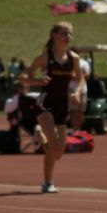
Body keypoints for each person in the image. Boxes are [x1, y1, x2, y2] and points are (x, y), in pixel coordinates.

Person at [20, 22, 83, 194]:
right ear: (54, 36)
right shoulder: (45, 57)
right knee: (54, 143)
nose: (67, 37)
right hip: (45, 103)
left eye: (70, 33)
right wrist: (38, 82)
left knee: (59, 152)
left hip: (62, 105)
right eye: (63, 33)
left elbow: (80, 78)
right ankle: (48, 182)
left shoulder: (74, 59)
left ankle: (43, 139)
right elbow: (24, 77)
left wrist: (77, 92)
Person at [68, 49, 90, 132]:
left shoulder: (84, 63)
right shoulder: (67, 63)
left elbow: (87, 75)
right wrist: (79, 76)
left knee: (81, 111)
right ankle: (75, 130)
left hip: (83, 89)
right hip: (71, 89)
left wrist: (79, 76)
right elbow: (70, 75)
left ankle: (80, 129)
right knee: (74, 111)